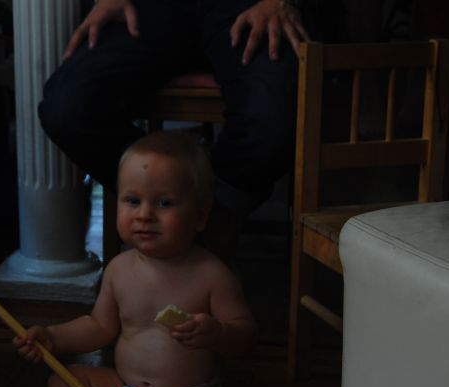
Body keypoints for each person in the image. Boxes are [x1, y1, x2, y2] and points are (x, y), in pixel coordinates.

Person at [12, 131, 257, 387]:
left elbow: (245, 337)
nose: (144, 214)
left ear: (200, 215)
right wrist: (53, 338)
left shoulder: (212, 275)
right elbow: (99, 326)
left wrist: (217, 332)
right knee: (66, 380)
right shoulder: (119, 269)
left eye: (164, 203)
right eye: (132, 200)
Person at [39, 0, 312, 225]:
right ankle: (163, 202)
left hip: (250, 5)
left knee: (271, 123)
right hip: (155, 7)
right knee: (67, 108)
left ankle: (210, 221)